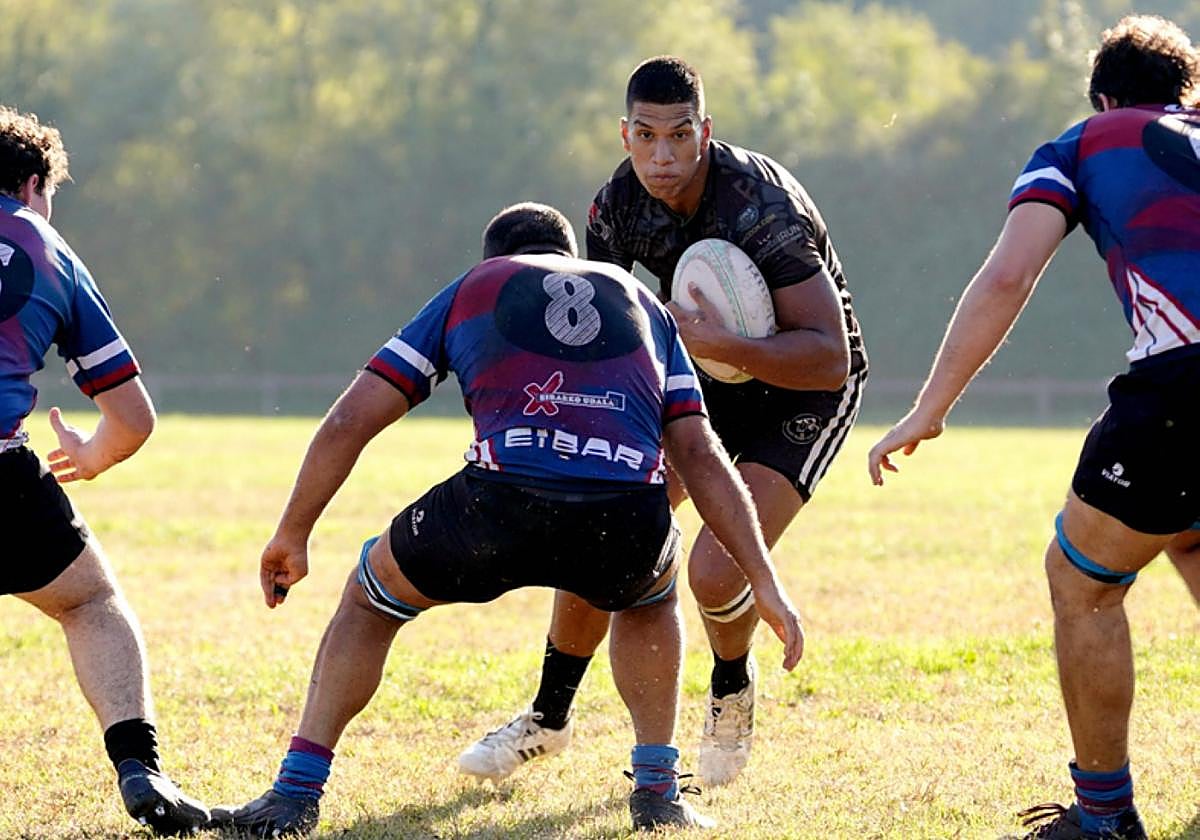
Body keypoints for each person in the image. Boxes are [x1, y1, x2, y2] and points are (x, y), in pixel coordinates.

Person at [209, 203, 804, 836]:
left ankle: (295, 795)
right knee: (648, 597)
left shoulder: (478, 286)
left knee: (369, 600)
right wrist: (764, 580)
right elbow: (701, 455)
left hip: (496, 505)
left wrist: (293, 533)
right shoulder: (640, 302)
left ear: (496, 259)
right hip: (622, 515)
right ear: (570, 259)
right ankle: (657, 792)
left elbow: (352, 418)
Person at [458, 56, 866, 789]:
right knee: (601, 519)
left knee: (713, 570)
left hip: (802, 391)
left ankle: (731, 687)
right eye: (646, 136)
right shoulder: (615, 210)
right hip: (700, 378)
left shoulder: (763, 206)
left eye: (680, 135)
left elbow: (829, 359)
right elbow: (605, 338)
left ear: (705, 131)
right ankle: (549, 717)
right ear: (625, 135)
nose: (663, 156)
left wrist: (722, 345)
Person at [867, 15, 1200, 840]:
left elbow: (1008, 277)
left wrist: (929, 407)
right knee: (1191, 540)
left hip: (1184, 386)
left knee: (1082, 584)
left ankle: (1104, 816)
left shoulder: (1081, 143)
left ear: (1104, 97)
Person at [0, 106, 209, 835]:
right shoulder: (46, 249)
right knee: (89, 602)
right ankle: (141, 768)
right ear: (33, 185)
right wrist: (91, 455)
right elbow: (132, 418)